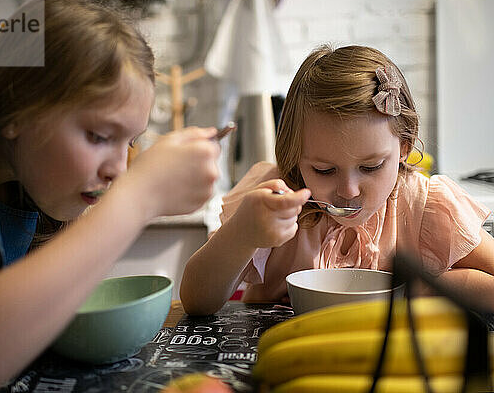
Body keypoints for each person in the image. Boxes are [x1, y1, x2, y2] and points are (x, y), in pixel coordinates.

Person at [0, 0, 221, 392]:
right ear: (16, 108)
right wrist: (138, 199)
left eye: (130, 142)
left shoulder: (35, 187)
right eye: (99, 136)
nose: (118, 169)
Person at [180, 44, 494, 316]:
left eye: (371, 167)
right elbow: (197, 302)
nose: (348, 191)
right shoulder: (274, 201)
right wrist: (242, 234)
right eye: (324, 170)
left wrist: (432, 287)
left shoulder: (424, 205)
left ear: (404, 147)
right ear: (295, 156)